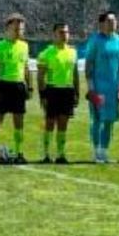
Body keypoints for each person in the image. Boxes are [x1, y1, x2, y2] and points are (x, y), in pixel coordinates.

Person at [0, 14, 33, 165]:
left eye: (21, 28)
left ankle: (19, 152)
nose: (19, 31)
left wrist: (29, 86)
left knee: (19, 121)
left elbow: (26, 68)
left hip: (19, 86)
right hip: (4, 86)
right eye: (16, 28)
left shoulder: (24, 46)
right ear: (8, 28)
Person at [83, 11, 119, 164]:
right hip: (98, 88)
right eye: (109, 21)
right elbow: (89, 65)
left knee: (110, 120)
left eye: (114, 20)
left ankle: (104, 151)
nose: (113, 23)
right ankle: (95, 152)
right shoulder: (95, 41)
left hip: (113, 89)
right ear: (101, 23)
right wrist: (91, 88)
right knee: (97, 119)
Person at [37, 22, 79, 164]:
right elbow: (40, 77)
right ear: (54, 34)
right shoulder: (46, 53)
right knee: (50, 122)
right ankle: (46, 154)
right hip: (52, 90)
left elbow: (75, 74)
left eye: (66, 32)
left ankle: (61, 154)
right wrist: (43, 95)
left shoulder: (73, 52)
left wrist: (77, 92)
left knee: (63, 123)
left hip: (67, 90)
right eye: (61, 32)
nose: (64, 35)